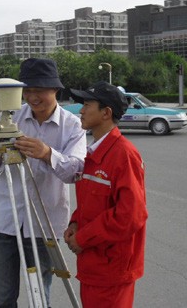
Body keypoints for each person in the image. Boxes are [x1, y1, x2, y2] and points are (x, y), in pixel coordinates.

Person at [0, 58, 86, 308]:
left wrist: (47, 153)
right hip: (5, 221)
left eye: (39, 90)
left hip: (44, 224)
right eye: (27, 90)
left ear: (55, 90)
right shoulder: (10, 117)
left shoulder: (72, 126)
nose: (32, 96)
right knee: (3, 296)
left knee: (39, 294)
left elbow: (76, 170)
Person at [63, 81, 148, 308]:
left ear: (106, 113)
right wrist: (75, 223)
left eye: (87, 105)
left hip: (111, 269)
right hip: (93, 264)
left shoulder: (123, 154)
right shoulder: (94, 153)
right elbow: (93, 202)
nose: (81, 110)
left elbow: (131, 215)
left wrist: (83, 238)